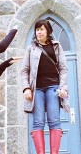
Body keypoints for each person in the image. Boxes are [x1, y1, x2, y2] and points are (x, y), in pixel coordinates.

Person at [20, 19, 69, 154]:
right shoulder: (31, 49)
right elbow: (24, 70)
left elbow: (63, 69)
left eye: (41, 29)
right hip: (37, 90)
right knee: (38, 122)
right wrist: (26, 88)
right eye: (37, 29)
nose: (39, 32)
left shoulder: (56, 46)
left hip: (53, 87)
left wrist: (63, 87)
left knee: (54, 121)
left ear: (48, 31)